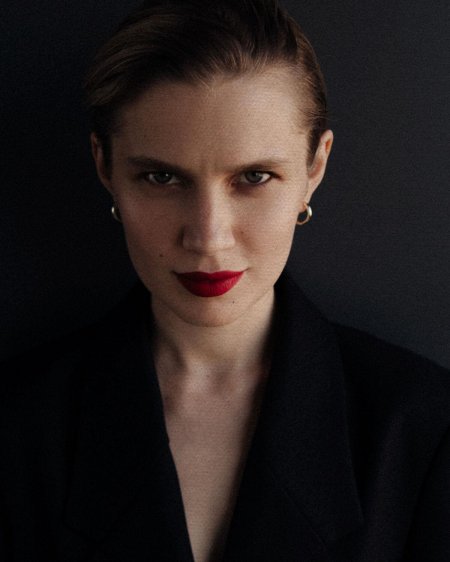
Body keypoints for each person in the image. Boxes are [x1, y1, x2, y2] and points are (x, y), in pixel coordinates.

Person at [1, 0, 450, 560]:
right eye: (161, 177)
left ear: (314, 168)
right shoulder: (17, 427)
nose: (208, 238)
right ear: (105, 167)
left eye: (254, 176)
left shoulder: (423, 428)